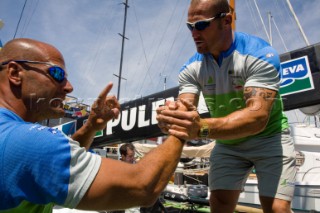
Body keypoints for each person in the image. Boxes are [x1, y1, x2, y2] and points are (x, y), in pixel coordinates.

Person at [0, 38, 186, 213]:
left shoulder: (10, 135)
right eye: (57, 74)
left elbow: (51, 170)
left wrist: (91, 127)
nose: (69, 87)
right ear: (15, 73)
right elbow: (143, 187)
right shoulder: (28, 142)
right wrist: (180, 127)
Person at [156, 0, 296, 212]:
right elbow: (185, 108)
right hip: (228, 144)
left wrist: (200, 127)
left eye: (201, 25)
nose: (194, 33)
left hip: (269, 137)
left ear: (226, 21)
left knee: (277, 208)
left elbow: (257, 118)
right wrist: (173, 116)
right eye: (190, 26)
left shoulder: (260, 55)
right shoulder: (190, 68)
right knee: (219, 204)